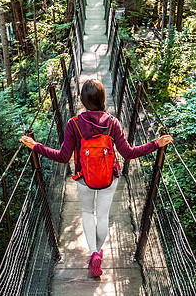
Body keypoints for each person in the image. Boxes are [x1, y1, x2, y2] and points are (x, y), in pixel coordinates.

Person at [20, 79, 173, 277]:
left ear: (83, 100)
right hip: (109, 177)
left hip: (84, 178)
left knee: (87, 212)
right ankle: (97, 254)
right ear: (103, 99)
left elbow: (63, 157)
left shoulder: (73, 124)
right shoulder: (112, 123)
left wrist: (36, 146)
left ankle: (93, 252)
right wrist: (155, 144)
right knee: (102, 216)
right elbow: (127, 153)